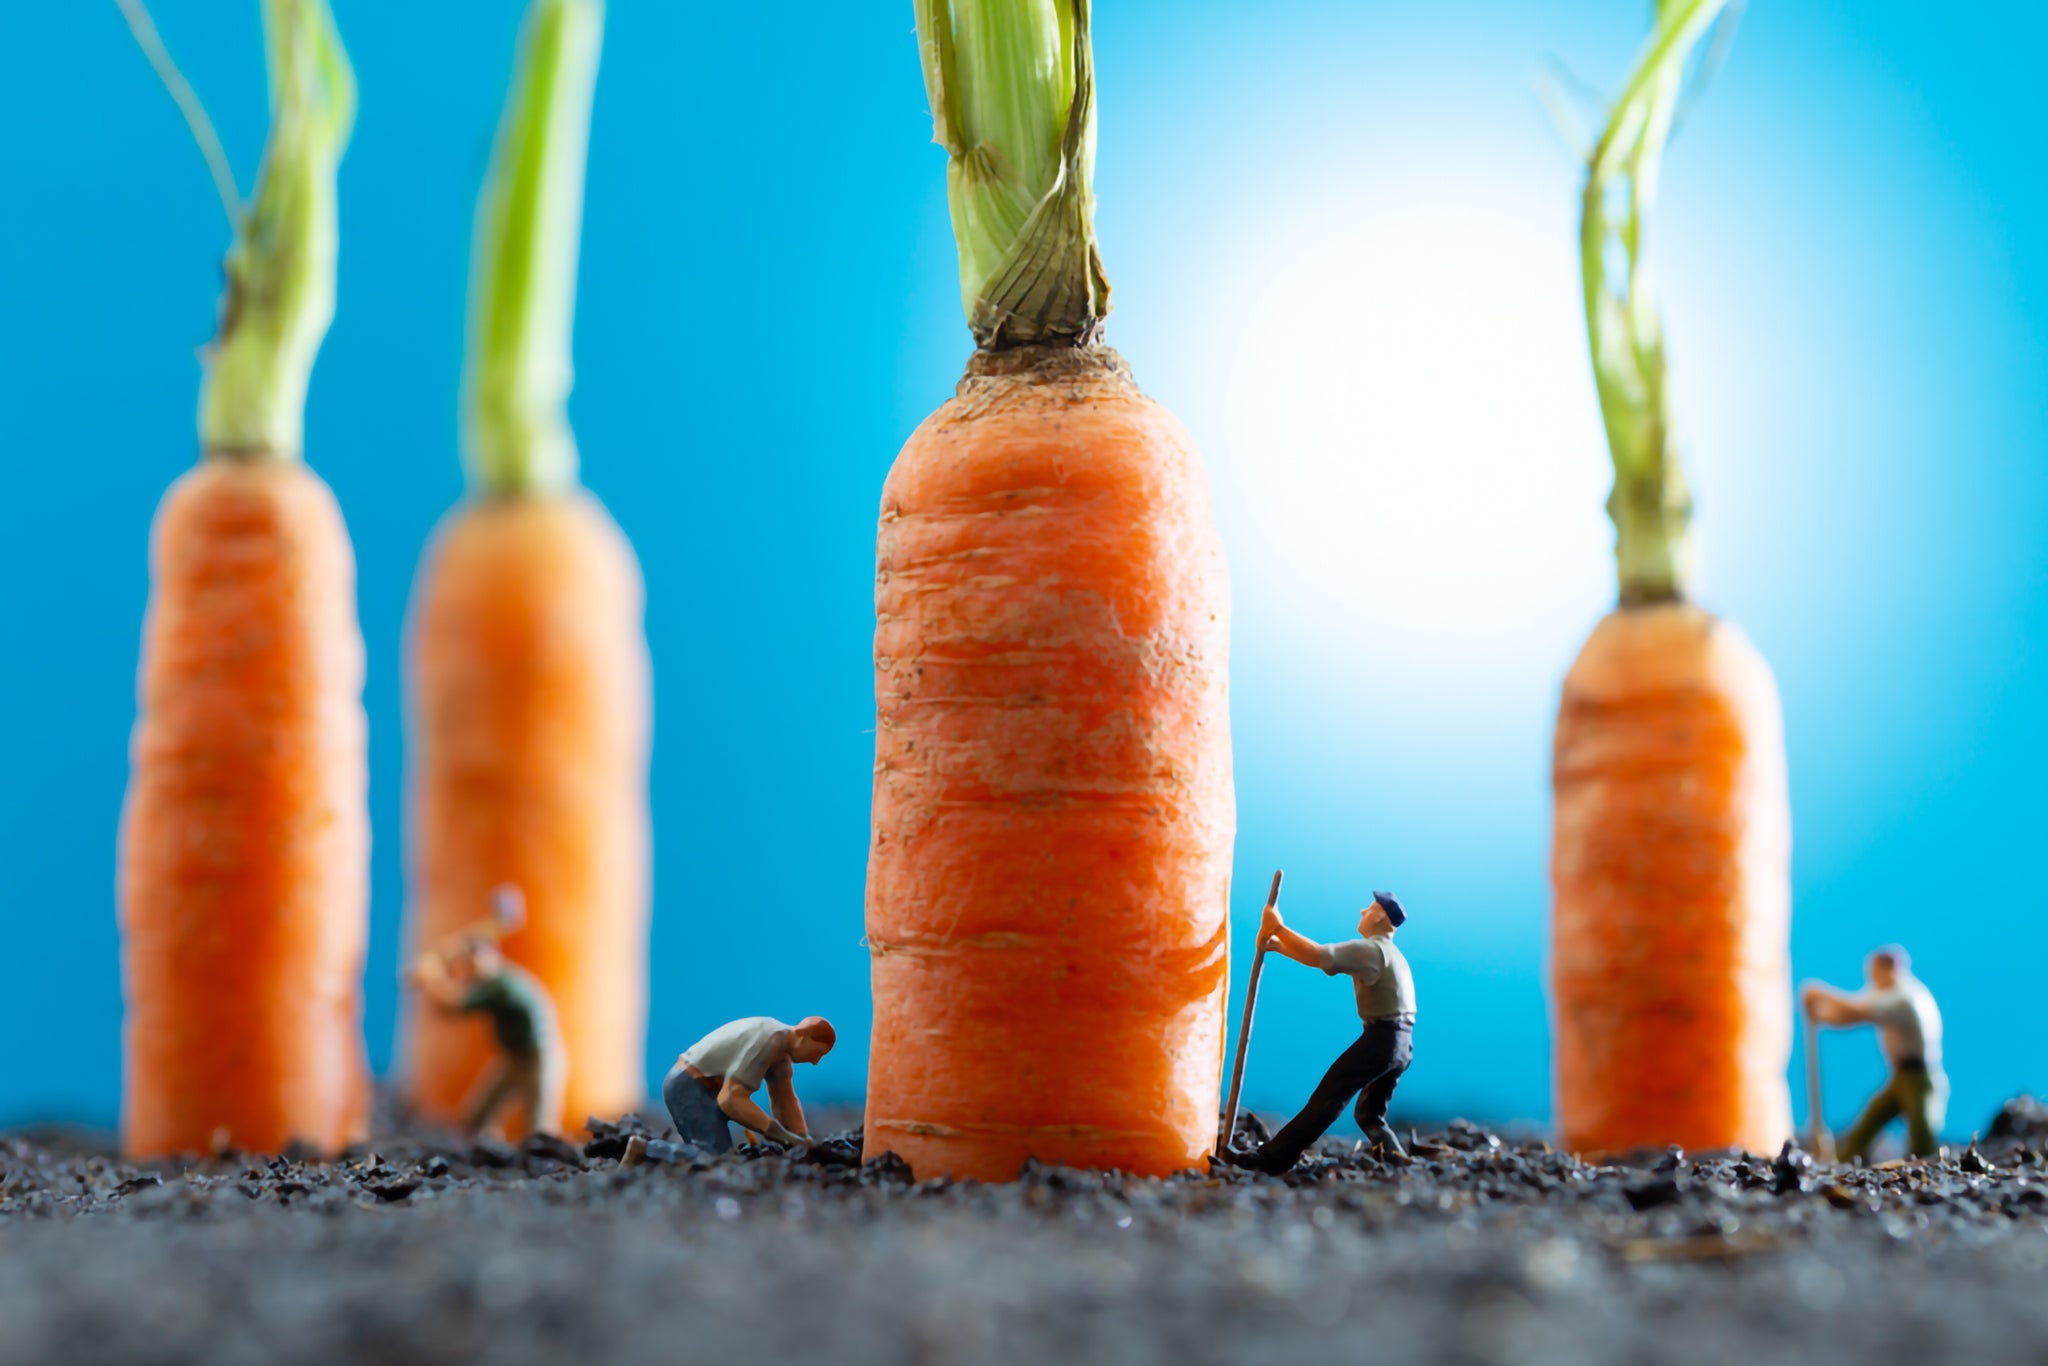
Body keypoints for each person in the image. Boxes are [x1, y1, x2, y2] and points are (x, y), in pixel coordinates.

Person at [1228, 892, 1416, 1173]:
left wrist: (1279, 928)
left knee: (1327, 1098)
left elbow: (1318, 956)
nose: (1362, 911)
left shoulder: (1371, 951)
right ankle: (1395, 1157)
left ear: (1379, 916)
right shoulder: (1394, 955)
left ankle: (1272, 1159)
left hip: (1382, 1040)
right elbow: (1319, 958)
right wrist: (1279, 945)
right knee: (1369, 1113)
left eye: (1369, 908)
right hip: (1403, 1044)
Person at [407, 929, 565, 1138]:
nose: (471, 970)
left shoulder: (501, 986)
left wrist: (432, 976)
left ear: (490, 956)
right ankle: (488, 1150)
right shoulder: (492, 982)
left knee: (539, 1129)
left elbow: (455, 1003)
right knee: (476, 1117)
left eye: (474, 962)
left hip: (538, 1058)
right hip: (513, 1057)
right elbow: (446, 1010)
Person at [1803, 945, 1946, 1160]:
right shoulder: (1884, 992)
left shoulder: (1906, 998)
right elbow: (1849, 1017)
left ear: (1890, 969)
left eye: (1875, 972)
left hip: (1920, 1078)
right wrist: (1821, 1015)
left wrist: (1819, 992)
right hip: (1900, 1075)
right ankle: (1845, 1160)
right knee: (1870, 1122)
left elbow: (1858, 1010)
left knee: (1922, 1138)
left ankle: (1928, 1169)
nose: (1872, 978)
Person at [633, 1016, 836, 1162]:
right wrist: (780, 1134)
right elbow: (730, 1100)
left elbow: (785, 1100)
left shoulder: (782, 1055)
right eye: (816, 1052)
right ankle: (645, 1151)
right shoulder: (769, 1041)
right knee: (712, 1157)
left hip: (706, 1088)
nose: (815, 1061)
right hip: (688, 1085)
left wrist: (803, 1139)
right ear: (803, 1036)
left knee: (719, 1154)